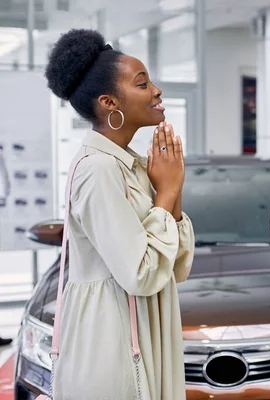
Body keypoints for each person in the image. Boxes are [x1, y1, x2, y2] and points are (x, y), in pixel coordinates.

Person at [44, 29, 194, 399]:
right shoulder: (98, 169)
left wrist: (167, 191)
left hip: (143, 334)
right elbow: (142, 275)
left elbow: (176, 268)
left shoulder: (132, 167)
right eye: (143, 84)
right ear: (110, 102)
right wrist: (169, 191)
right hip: (111, 344)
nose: (157, 91)